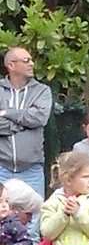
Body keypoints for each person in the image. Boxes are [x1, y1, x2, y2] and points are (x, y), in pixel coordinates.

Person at [0, 48, 52, 199]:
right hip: (2, 169)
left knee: (33, 219)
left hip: (32, 171)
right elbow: (32, 119)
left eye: (31, 60)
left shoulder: (42, 91)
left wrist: (7, 113)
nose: (32, 64)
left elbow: (40, 118)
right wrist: (21, 123)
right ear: (11, 65)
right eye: (26, 60)